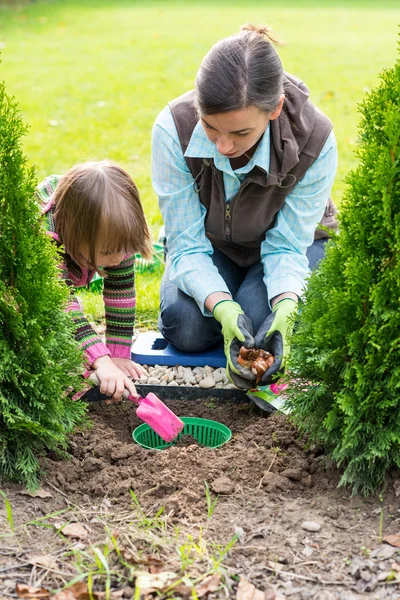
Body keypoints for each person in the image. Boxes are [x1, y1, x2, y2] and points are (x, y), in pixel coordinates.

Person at [152, 24, 338, 391]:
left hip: (289, 249)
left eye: (240, 134)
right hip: (212, 246)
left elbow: (288, 246)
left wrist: (287, 304)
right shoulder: (173, 128)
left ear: (276, 108)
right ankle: (232, 296)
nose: (223, 146)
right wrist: (221, 306)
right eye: (210, 127)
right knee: (185, 326)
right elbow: (187, 245)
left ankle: (254, 299)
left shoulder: (316, 141)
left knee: (260, 321)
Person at [35, 160, 153, 400]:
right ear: (76, 235)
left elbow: (121, 293)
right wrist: (100, 359)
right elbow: (61, 305)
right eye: (109, 252)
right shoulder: (45, 238)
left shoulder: (116, 233)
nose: (119, 258)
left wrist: (117, 355)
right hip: (28, 285)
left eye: (125, 249)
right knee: (51, 330)